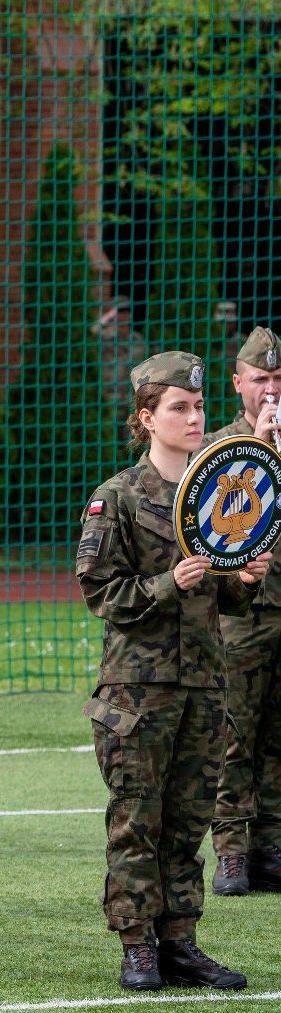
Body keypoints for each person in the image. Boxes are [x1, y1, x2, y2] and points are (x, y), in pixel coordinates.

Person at [76, 350, 268, 992]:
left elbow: (226, 602)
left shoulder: (218, 494)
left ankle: (181, 942)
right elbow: (102, 594)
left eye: (198, 407)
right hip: (140, 689)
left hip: (203, 686)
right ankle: (137, 946)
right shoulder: (117, 498)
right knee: (138, 820)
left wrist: (243, 580)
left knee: (187, 823)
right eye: (179, 408)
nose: (194, 418)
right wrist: (167, 581)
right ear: (146, 418)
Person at [207, 326, 281, 897]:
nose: (271, 391)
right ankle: (231, 849)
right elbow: (218, 526)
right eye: (261, 380)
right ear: (239, 384)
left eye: (279, 380)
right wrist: (258, 450)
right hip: (241, 613)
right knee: (236, 730)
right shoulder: (221, 448)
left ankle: (270, 846)